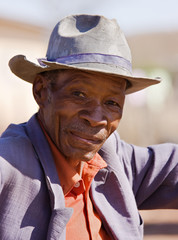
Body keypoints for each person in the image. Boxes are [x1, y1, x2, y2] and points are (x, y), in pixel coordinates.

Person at [0, 14, 177, 240]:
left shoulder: (111, 160)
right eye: (79, 94)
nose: (96, 118)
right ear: (41, 92)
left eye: (112, 102)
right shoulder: (9, 165)